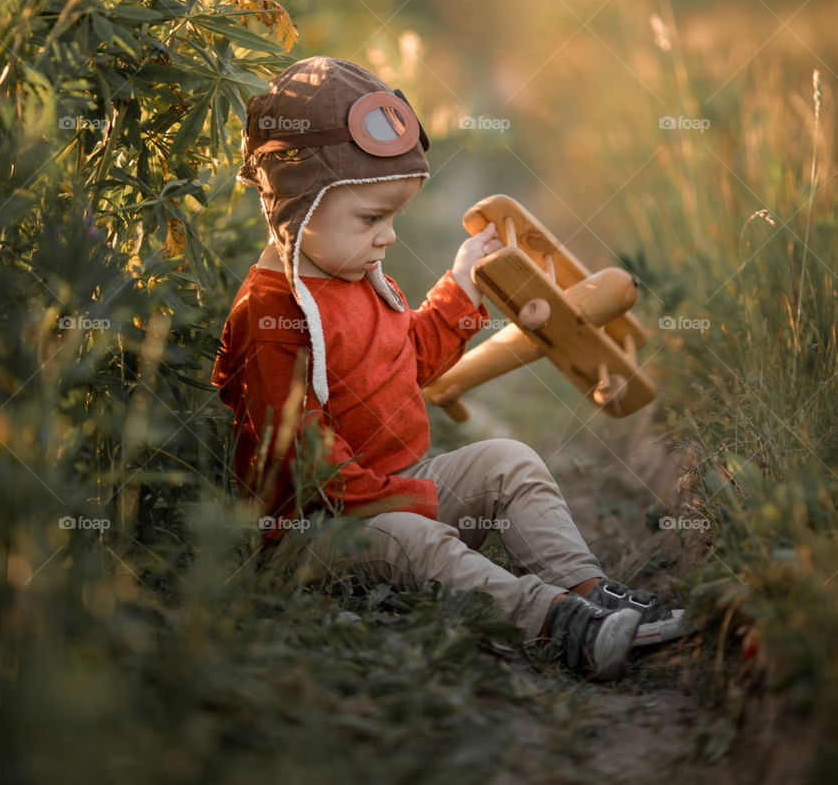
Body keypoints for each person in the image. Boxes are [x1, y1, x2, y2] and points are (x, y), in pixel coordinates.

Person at [211, 56, 685, 681]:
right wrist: (414, 503)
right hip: (318, 534)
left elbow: (409, 363)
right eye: (370, 218)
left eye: (394, 218)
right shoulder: (274, 318)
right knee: (413, 540)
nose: (388, 238)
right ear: (298, 204)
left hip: (396, 492)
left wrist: (462, 285)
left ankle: (589, 591)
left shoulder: (354, 275)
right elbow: (305, 462)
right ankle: (555, 622)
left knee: (507, 461)